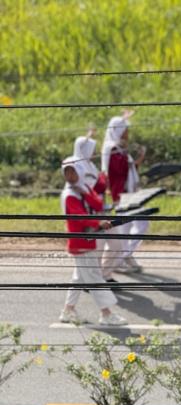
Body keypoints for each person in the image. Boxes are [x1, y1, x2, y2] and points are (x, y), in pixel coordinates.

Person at [59, 157, 127, 326]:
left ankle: (68, 310)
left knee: (79, 278)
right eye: (66, 172)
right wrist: (98, 223)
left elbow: (97, 204)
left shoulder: (82, 188)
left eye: (73, 171)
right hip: (80, 242)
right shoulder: (69, 195)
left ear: (80, 171)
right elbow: (79, 218)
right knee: (95, 277)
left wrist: (86, 193)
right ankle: (106, 314)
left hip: (86, 240)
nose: (69, 175)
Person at [100, 113, 147, 279]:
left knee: (135, 225)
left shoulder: (119, 148)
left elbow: (127, 170)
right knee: (130, 227)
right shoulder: (113, 149)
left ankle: (123, 256)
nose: (128, 133)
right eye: (125, 129)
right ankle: (121, 257)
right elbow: (118, 173)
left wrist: (137, 161)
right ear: (119, 130)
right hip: (122, 195)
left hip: (129, 193)